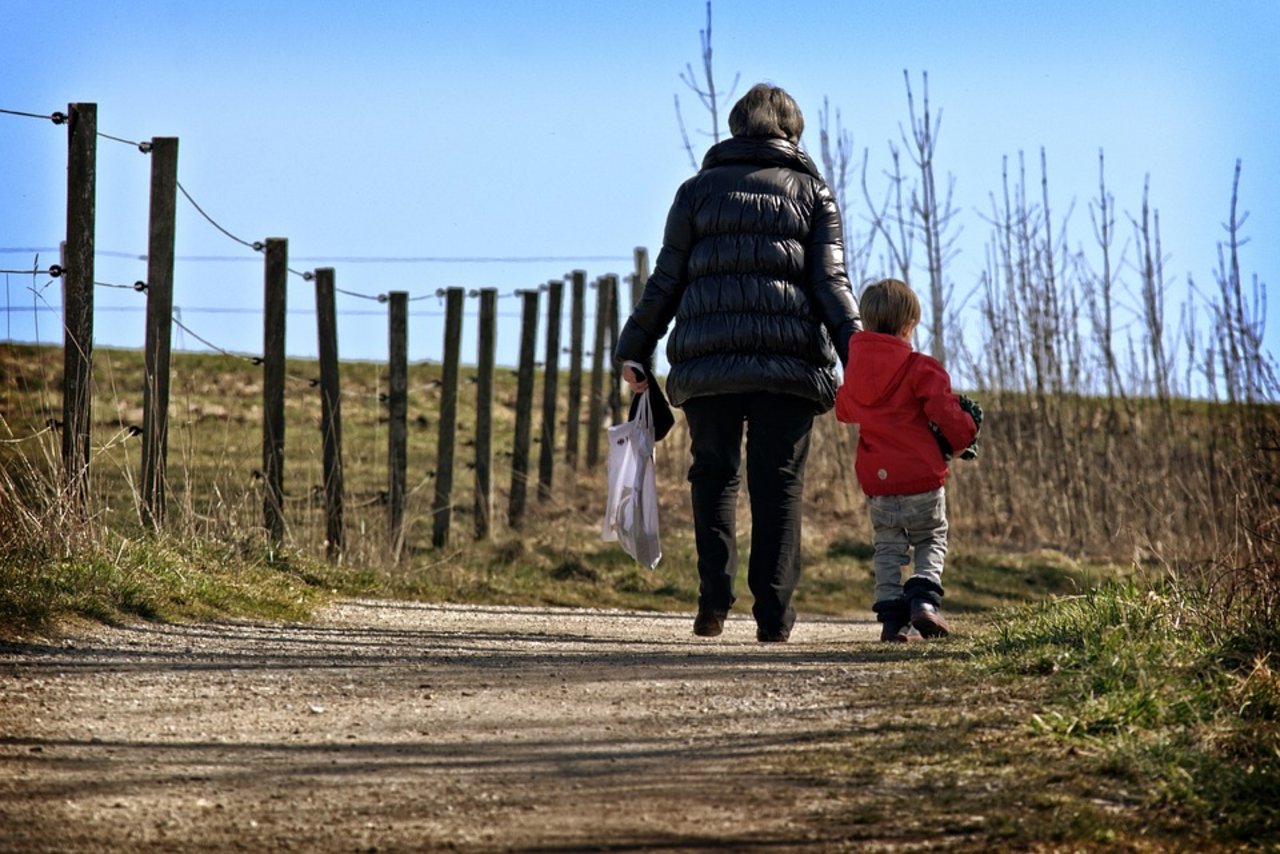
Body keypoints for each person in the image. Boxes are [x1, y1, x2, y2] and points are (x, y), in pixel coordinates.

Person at [616, 82, 861, 643]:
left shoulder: (694, 192)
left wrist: (635, 348)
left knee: (714, 476)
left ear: (735, 127)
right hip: (789, 367)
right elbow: (830, 284)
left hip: (710, 364)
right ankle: (773, 617)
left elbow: (667, 280)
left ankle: (713, 603)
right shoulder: (812, 194)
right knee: (778, 485)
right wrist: (862, 354)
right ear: (792, 132)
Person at [834, 278, 978, 642]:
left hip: (879, 485)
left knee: (887, 547)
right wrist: (967, 431)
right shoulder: (920, 368)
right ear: (908, 327)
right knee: (931, 537)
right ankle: (924, 601)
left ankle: (892, 622)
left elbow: (844, 409)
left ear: (865, 324)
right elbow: (946, 413)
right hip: (922, 479)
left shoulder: (854, 373)